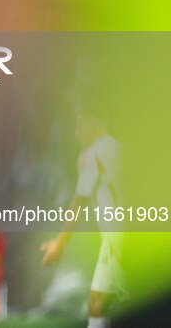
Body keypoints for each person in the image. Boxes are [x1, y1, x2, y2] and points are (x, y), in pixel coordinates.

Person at [41, 106, 127, 328]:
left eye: (80, 124)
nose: (76, 132)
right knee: (97, 304)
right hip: (128, 238)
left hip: (119, 241)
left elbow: (78, 202)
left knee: (101, 303)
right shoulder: (121, 148)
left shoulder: (92, 154)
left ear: (95, 122)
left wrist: (59, 243)